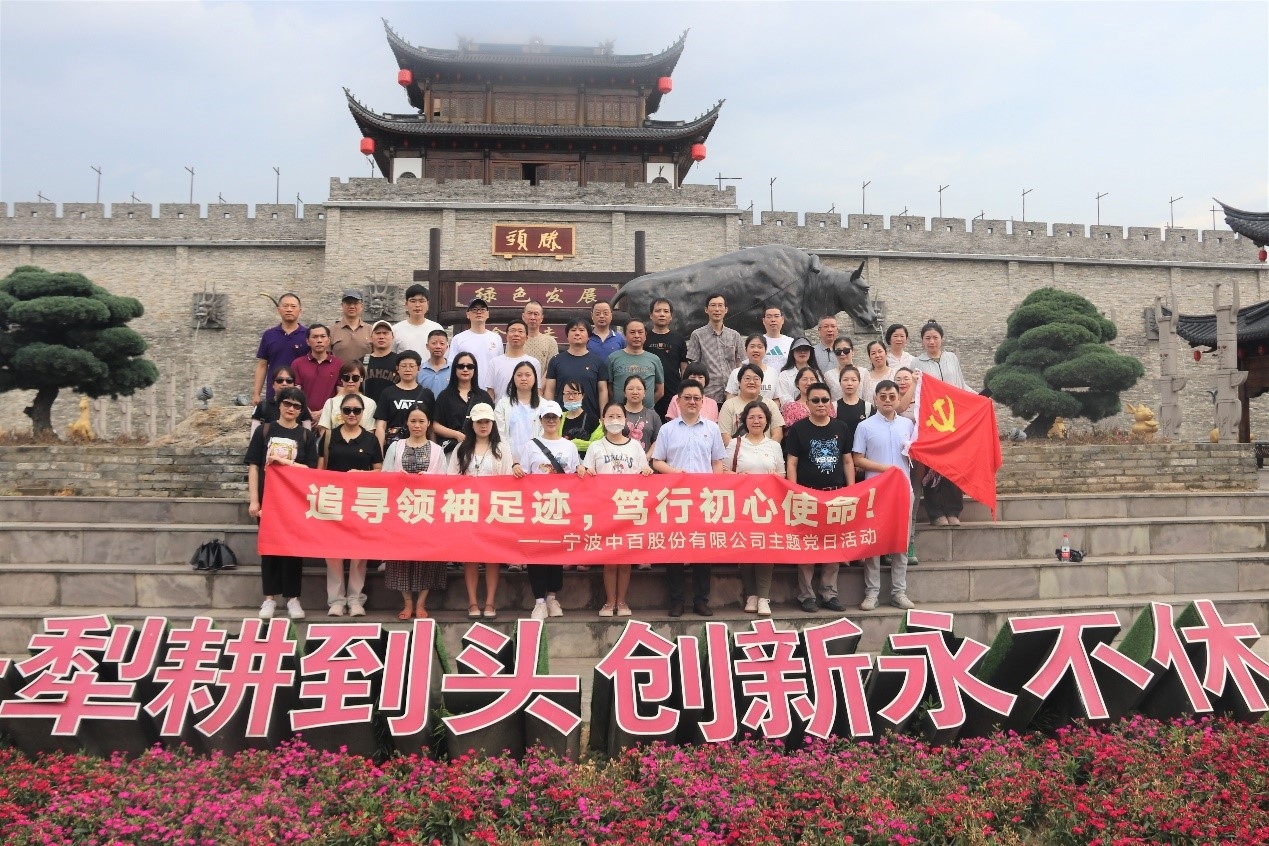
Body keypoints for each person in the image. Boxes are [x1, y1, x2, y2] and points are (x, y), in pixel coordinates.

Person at [650, 380, 726, 617]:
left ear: (703, 402)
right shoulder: (667, 429)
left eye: (696, 398)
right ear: (678, 401)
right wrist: (676, 474)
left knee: (703, 549)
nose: (692, 402)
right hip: (676, 498)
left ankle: (701, 600)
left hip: (704, 499)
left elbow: (717, 462)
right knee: (675, 548)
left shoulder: (712, 428)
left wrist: (716, 487)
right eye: (687, 398)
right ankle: (676, 601)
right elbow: (657, 461)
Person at [245, 385, 318, 620]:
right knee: (269, 549)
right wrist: (254, 500)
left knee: (293, 550)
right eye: (287, 403)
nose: (291, 408)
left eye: (297, 406)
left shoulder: (306, 435)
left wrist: (286, 463)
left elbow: (311, 470)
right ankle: (269, 599)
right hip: (268, 499)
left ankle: (292, 598)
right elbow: (254, 466)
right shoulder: (264, 431)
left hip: (294, 502)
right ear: (279, 405)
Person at [784, 382, 854, 614]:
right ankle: (806, 596)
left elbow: (847, 461)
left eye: (825, 400)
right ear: (807, 403)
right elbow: (791, 463)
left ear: (830, 402)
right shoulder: (798, 429)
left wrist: (851, 491)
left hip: (835, 495)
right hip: (807, 495)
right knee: (808, 547)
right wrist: (795, 493)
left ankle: (829, 594)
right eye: (815, 400)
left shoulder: (841, 427)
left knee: (833, 546)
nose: (821, 404)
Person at [580, 400, 653, 616]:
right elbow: (586, 472)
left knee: (625, 560)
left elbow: (644, 472)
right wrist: (585, 471)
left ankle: (622, 602)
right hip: (605, 510)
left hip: (628, 509)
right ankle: (609, 601)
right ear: (602, 420)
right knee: (610, 559)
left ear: (625, 420)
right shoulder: (595, 447)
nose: (614, 420)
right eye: (610, 416)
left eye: (618, 416)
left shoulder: (635, 447)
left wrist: (647, 472)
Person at [852, 380, 916, 611]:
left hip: (903, 490)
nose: (887, 400)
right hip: (875, 492)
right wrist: (885, 469)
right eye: (883, 396)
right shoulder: (865, 426)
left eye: (892, 396)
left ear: (898, 399)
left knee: (901, 542)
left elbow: (916, 452)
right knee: (873, 542)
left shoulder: (908, 425)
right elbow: (858, 459)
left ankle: (899, 592)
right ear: (875, 399)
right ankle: (872, 593)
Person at [513, 400, 580, 620]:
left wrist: (582, 470)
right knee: (537, 553)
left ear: (560, 420)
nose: (551, 421)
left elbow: (576, 472)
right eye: (547, 417)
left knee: (556, 553)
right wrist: (516, 469)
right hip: (537, 509)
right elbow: (523, 473)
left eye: (554, 417)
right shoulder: (531, 446)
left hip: (561, 507)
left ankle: (552, 597)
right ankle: (539, 601)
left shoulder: (569, 447)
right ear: (541, 420)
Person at [317, 393, 383, 617]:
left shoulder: (370, 440)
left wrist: (362, 474)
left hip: (361, 502)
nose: (352, 414)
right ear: (340, 413)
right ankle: (336, 599)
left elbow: (379, 470)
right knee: (332, 551)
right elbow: (320, 470)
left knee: (358, 552)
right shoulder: (329, 437)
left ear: (363, 413)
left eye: (356, 410)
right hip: (333, 501)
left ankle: (355, 598)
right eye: (347, 410)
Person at [382, 403, 449, 620]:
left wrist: (428, 480)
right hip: (400, 510)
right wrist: (397, 477)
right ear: (407, 423)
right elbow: (384, 475)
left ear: (428, 423)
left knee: (426, 557)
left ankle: (421, 602)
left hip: (427, 511)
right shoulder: (396, 447)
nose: (417, 425)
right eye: (413, 421)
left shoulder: (437, 450)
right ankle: (407, 602)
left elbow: (445, 481)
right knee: (401, 557)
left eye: (421, 421)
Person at [449, 402, 515, 619]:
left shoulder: (502, 449)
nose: (483, 425)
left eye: (487, 421)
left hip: (492, 510)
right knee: (471, 557)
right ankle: (472, 602)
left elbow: (507, 480)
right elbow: (451, 478)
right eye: (479, 422)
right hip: (468, 509)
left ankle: (490, 603)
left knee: (491, 557)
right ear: (472, 424)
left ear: (493, 423)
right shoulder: (461, 448)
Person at [727, 399, 784, 617]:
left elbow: (782, 475)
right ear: (745, 421)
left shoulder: (774, 446)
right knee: (746, 548)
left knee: (765, 549)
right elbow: (723, 472)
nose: (756, 421)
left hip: (767, 507)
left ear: (767, 421)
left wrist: (774, 477)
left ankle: (763, 597)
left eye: (760, 417)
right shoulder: (735, 444)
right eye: (751, 417)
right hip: (742, 505)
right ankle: (750, 595)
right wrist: (738, 477)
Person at [913, 319, 969, 527]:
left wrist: (980, 400)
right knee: (932, 468)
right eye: (927, 338)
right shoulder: (916, 363)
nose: (931, 341)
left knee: (954, 466)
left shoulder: (951, 358)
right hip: (932, 423)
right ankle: (936, 512)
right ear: (922, 341)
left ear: (942, 339)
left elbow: (961, 386)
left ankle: (953, 510)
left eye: (935, 337)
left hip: (954, 422)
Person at [686, 293, 745, 406]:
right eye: (713, 305)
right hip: (708, 394)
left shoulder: (735, 335)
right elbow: (693, 366)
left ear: (726, 309)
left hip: (732, 394)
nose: (717, 309)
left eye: (720, 305)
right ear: (706, 310)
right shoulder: (697, 335)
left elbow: (740, 364)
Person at [544, 317, 608, 421]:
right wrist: (549, 413)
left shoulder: (598, 362)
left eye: (581, 330)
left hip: (591, 418)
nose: (577, 333)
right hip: (561, 418)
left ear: (588, 336)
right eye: (573, 330)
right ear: (567, 336)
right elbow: (550, 390)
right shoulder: (556, 360)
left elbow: (602, 390)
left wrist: (603, 416)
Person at [373, 350, 436, 452]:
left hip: (421, 447)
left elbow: (431, 426)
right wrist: (379, 454)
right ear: (397, 368)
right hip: (394, 447)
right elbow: (381, 425)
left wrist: (433, 450)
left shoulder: (427, 394)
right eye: (403, 366)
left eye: (412, 366)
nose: (407, 369)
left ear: (419, 368)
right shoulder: (388, 393)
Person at [252, 292, 308, 405]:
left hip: (300, 396)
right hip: (274, 395)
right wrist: (256, 394)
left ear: (300, 310)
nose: (289, 310)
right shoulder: (269, 335)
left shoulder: (308, 335)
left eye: (293, 306)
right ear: (278, 310)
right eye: (285, 306)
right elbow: (262, 365)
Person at [718, 363, 784, 446]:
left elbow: (777, 434)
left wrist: (767, 450)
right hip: (737, 451)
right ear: (739, 382)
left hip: (766, 451)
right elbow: (725, 435)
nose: (752, 382)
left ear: (761, 382)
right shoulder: (729, 405)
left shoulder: (770, 404)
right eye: (747, 378)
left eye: (756, 379)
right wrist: (739, 451)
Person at [432, 351, 486, 451]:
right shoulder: (445, 396)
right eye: (461, 366)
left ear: (474, 369)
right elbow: (435, 425)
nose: (465, 369)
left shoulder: (483, 396)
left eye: (469, 366)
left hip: (479, 448)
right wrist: (456, 435)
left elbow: (491, 423)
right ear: (454, 369)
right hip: (452, 449)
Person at [645, 297, 688, 419]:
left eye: (666, 311)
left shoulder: (678, 339)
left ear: (671, 316)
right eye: (658, 311)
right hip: (649, 392)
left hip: (673, 392)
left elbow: (684, 369)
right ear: (651, 315)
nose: (662, 314)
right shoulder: (644, 338)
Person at [606, 319, 664, 409]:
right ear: (624, 335)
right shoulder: (613, 358)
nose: (637, 336)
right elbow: (608, 388)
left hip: (647, 412)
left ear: (645, 335)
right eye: (632, 332)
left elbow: (660, 391)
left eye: (640, 332)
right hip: (620, 412)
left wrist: (646, 406)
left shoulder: (654, 359)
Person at [450, 298, 504, 394]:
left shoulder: (496, 338)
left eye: (482, 309)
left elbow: (500, 366)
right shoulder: (458, 339)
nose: (479, 312)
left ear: (488, 314)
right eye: (474, 309)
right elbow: (452, 366)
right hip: (466, 391)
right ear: (468, 314)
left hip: (491, 391)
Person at [494, 360, 543, 465]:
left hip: (538, 461)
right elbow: (500, 434)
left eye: (528, 375)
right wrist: (511, 461)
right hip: (509, 461)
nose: (523, 378)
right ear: (513, 378)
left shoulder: (544, 405)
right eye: (519, 375)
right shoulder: (503, 404)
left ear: (535, 378)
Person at [316, 361, 377, 439]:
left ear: (361, 379)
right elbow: (324, 431)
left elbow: (370, 432)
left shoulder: (370, 403)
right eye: (346, 378)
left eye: (355, 378)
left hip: (361, 444)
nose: (350, 381)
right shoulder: (331, 402)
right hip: (335, 444)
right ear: (341, 379)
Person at [291, 323, 342, 416]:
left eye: (323, 336)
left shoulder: (338, 364)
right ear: (307, 341)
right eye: (314, 337)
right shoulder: (297, 364)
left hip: (330, 416)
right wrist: (307, 412)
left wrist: (323, 412)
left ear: (329, 340)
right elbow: (295, 392)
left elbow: (341, 393)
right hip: (303, 416)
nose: (319, 340)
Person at [488, 319, 541, 402]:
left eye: (520, 331)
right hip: (501, 409)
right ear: (506, 336)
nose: (516, 334)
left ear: (526, 337)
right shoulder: (494, 362)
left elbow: (537, 391)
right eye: (512, 331)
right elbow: (490, 392)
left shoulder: (533, 362)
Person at [835, 365, 873, 478]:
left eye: (853, 380)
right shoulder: (833, 407)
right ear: (840, 382)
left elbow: (872, 437)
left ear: (859, 382)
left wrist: (864, 460)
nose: (849, 383)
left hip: (863, 463)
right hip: (839, 462)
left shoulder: (867, 407)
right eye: (845, 380)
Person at [251, 365, 313, 432]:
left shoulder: (301, 407)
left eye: (289, 380)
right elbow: (254, 435)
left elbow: (307, 434)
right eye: (279, 380)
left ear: (294, 384)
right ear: (273, 384)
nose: (284, 383)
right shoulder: (262, 406)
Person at [777, 337, 838, 404]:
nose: (802, 352)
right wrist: (799, 408)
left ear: (810, 352)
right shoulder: (784, 375)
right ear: (792, 352)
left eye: (806, 349)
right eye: (798, 349)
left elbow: (822, 395)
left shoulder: (817, 374)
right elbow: (785, 399)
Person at [391, 284, 443, 356]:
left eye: (421, 301)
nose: (417, 305)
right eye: (413, 301)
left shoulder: (436, 328)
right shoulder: (395, 330)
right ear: (406, 304)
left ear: (427, 304)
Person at [724, 334, 780, 401]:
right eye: (752, 346)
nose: (756, 350)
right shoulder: (736, 373)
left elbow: (776, 399)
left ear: (765, 350)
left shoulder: (773, 372)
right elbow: (730, 397)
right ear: (746, 350)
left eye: (760, 347)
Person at [620, 375, 662, 454]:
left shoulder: (653, 415)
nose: (635, 392)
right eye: (630, 389)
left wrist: (646, 458)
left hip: (646, 460)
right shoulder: (618, 413)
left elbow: (658, 440)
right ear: (624, 393)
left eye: (639, 389)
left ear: (644, 393)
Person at [559, 379, 602, 455]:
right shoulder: (558, 417)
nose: (571, 397)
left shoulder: (592, 419)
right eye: (567, 393)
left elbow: (598, 445)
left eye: (575, 393)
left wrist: (580, 445)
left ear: (582, 395)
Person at [330, 289, 372, 363]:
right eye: (348, 303)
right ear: (342, 305)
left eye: (356, 303)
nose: (352, 306)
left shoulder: (371, 330)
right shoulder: (332, 331)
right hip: (339, 370)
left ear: (362, 306)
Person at [363, 320, 399, 404]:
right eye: (377, 333)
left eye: (385, 333)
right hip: (368, 409)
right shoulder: (362, 363)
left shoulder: (400, 362)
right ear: (371, 337)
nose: (381, 337)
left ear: (392, 337)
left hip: (393, 408)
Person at [521, 300, 559, 374]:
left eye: (536, 314)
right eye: (529, 313)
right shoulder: (515, 340)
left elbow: (552, 369)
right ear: (523, 316)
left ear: (541, 318)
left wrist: (540, 382)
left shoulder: (550, 341)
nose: (532, 317)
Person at [417, 329, 452, 398]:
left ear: (447, 347)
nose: (438, 346)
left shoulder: (454, 369)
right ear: (427, 346)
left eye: (442, 343)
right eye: (434, 343)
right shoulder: (419, 369)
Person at [760, 307, 795, 372]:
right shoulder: (758, 341)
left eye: (776, 316)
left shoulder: (791, 342)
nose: (773, 320)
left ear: (782, 320)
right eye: (769, 317)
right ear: (763, 321)